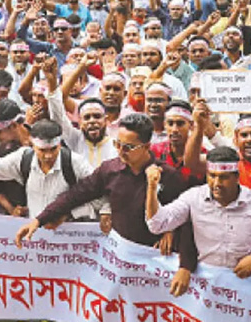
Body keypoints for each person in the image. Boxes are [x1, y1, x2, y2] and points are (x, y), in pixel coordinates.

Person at [16, 113, 198, 294]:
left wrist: (185, 264)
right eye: (117, 144)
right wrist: (39, 220)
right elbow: (75, 195)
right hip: (120, 260)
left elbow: (187, 219)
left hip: (155, 263)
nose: (121, 151)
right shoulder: (110, 170)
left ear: (146, 146)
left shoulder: (168, 176)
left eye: (128, 147)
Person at [146, 146, 251, 286]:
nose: (217, 183)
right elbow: (157, 224)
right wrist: (152, 188)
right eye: (212, 176)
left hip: (244, 282)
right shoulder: (193, 198)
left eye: (224, 177)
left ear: (237, 177)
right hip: (206, 284)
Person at [0, 119, 94, 219]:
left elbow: (99, 193)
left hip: (68, 235)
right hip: (35, 235)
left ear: (60, 145)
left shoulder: (75, 162)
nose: (48, 156)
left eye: (53, 149)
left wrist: (69, 214)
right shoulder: (23, 159)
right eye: (42, 150)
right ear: (33, 145)